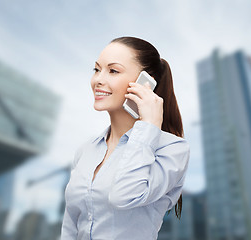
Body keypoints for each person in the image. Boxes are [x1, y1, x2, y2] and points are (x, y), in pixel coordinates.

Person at [61, 36, 190, 240]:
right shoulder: (86, 150)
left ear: (146, 83)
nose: (98, 80)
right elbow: (70, 225)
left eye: (113, 71)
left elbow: (124, 196)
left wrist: (148, 126)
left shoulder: (173, 149)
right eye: (96, 69)